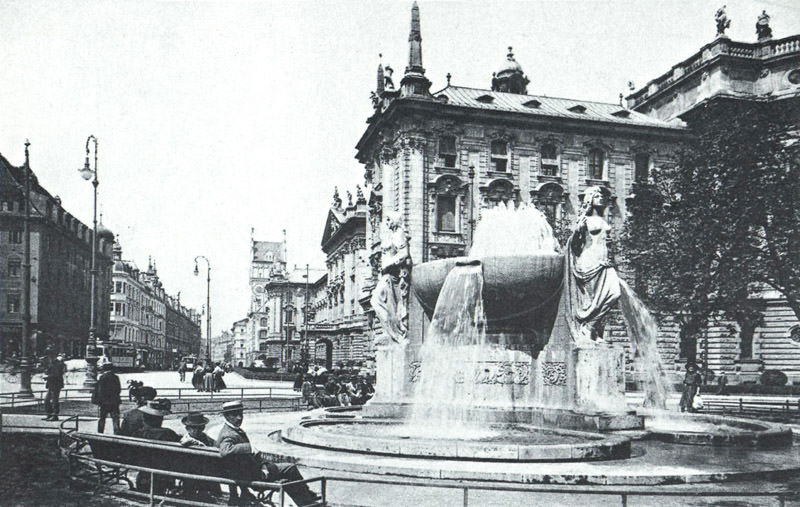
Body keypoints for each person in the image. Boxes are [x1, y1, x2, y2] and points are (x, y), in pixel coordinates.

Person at [216, 400, 320, 506]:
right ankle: (307, 501)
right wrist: (249, 447)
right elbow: (225, 451)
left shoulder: (232, 430)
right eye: (235, 415)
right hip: (254, 475)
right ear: (227, 416)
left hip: (249, 471)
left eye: (241, 414)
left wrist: (263, 464)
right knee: (290, 468)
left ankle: (306, 498)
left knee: (288, 475)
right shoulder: (228, 434)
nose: (239, 418)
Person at [565, 186, 621, 343]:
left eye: (602, 195)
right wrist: (577, 232)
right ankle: (589, 330)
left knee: (614, 294)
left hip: (605, 263)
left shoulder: (603, 220)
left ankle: (590, 327)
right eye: (597, 195)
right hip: (590, 264)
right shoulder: (584, 220)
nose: (601, 197)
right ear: (589, 198)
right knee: (592, 302)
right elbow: (575, 245)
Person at [370, 212, 412, 346]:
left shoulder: (399, 233)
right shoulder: (394, 235)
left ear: (395, 220)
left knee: (379, 302)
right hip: (387, 276)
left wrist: (388, 264)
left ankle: (397, 334)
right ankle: (393, 333)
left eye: (389, 220)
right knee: (384, 305)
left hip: (392, 277)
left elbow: (404, 254)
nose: (387, 223)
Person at [133, 399, 180, 495]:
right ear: (160, 419)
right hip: (163, 473)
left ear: (145, 418)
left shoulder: (138, 433)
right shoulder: (167, 434)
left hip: (144, 474)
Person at [179, 411, 221, 500]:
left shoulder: (205, 438)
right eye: (193, 428)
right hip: (190, 471)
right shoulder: (185, 440)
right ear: (187, 428)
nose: (196, 431)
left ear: (203, 428)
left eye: (199, 428)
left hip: (205, 470)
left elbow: (216, 445)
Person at [94, 363, 121, 434]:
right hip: (114, 402)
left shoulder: (102, 377)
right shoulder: (116, 377)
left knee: (102, 419)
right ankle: (117, 433)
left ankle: (100, 433)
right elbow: (118, 389)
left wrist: (99, 400)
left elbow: (100, 391)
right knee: (115, 419)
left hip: (104, 403)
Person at [42, 353, 65, 421]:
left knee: (55, 400)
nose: (49, 358)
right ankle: (49, 414)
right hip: (51, 384)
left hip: (56, 384)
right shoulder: (51, 363)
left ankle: (55, 415)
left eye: (50, 357)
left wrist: (47, 376)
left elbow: (57, 375)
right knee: (46, 400)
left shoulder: (58, 364)